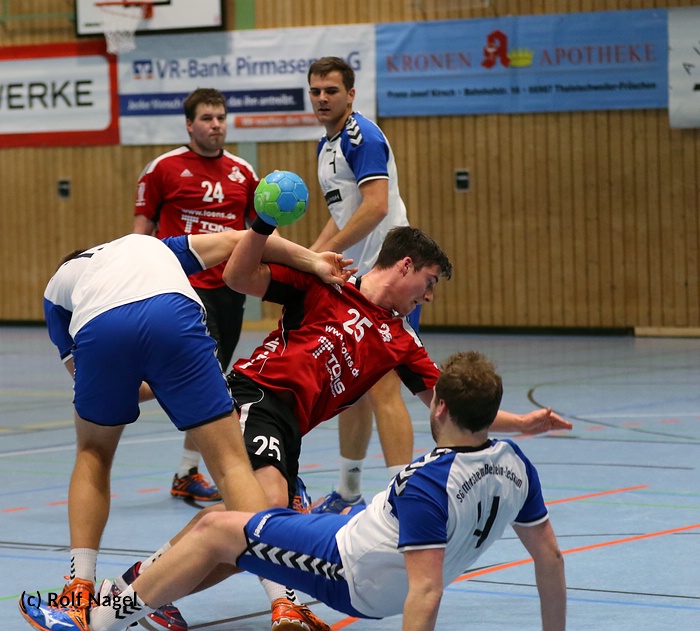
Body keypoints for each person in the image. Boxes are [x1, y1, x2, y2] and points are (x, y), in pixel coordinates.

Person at [19, 351, 567, 631]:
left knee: (216, 528)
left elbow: (425, 592)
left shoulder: (430, 482)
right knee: (271, 510)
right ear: (491, 414)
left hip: (350, 571)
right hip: (353, 538)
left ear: (439, 406)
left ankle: (97, 618)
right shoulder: (515, 464)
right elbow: (550, 559)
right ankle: (147, 600)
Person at [33, 229, 351, 631]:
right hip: (175, 315)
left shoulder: (57, 289)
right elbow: (246, 239)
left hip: (101, 326)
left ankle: (78, 589)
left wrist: (149, 378)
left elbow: (85, 379)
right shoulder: (155, 246)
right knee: (232, 465)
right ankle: (284, 601)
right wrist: (314, 260)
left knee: (93, 452)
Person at [133, 87, 259, 503]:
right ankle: (199, 470)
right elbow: (141, 232)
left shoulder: (243, 172)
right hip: (184, 287)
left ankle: (185, 471)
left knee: (211, 377)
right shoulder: (163, 168)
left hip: (230, 289)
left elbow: (257, 233)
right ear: (190, 125)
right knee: (208, 381)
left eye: (220, 117)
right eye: (207, 118)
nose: (216, 125)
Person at [307, 56, 418, 513]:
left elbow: (375, 206)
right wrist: (307, 259)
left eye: (331, 91)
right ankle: (349, 490)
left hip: (389, 277)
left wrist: (322, 256)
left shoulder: (362, 137)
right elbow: (342, 217)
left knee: (383, 387)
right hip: (357, 280)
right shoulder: (325, 145)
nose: (322, 98)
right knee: (350, 390)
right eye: (315, 91)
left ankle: (404, 499)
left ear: (350, 94)